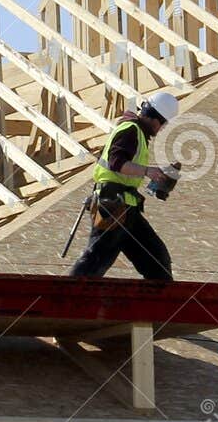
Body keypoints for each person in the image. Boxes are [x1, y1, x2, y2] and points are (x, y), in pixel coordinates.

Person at [68, 92, 180, 281]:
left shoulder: (137, 133)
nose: (162, 129)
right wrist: (147, 171)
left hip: (126, 209)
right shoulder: (131, 130)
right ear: (155, 119)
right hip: (111, 206)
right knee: (94, 260)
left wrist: (151, 176)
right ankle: (66, 299)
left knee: (157, 260)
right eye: (163, 124)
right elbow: (116, 162)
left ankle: (162, 307)